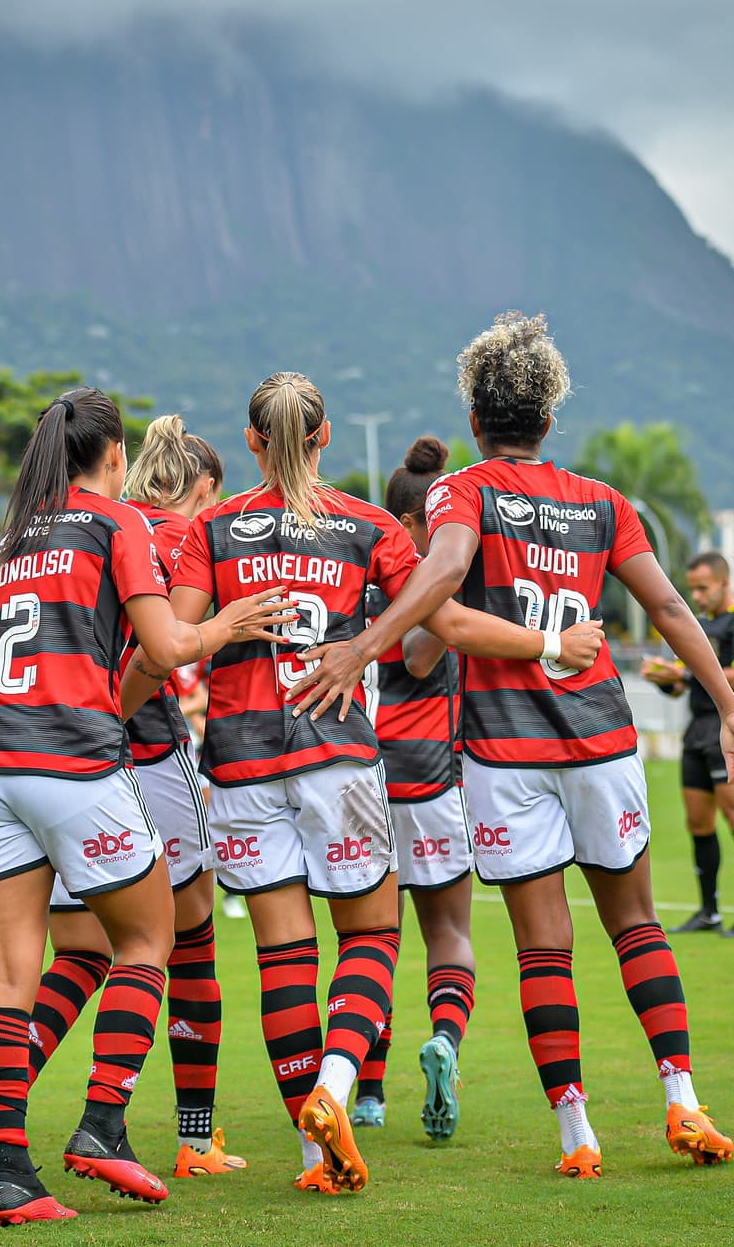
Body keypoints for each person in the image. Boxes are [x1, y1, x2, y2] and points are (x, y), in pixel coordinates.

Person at [290, 313, 734, 1179]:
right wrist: (729, 705)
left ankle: (576, 1135)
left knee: (542, 946)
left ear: (475, 420)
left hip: (505, 755)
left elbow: (438, 580)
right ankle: (682, 1098)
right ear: (550, 419)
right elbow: (667, 608)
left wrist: (363, 645)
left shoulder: (460, 493)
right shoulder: (600, 500)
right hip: (600, 739)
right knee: (636, 924)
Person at [150, 371, 605, 1195]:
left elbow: (171, 641)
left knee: (282, 955)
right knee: (371, 939)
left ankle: (311, 1153)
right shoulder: (365, 526)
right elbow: (451, 624)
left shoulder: (210, 529)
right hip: (340, 760)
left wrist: (216, 628)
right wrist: (548, 644)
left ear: (251, 442)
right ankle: (333, 1084)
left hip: (241, 764)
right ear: (324, 439)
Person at [0, 387, 292, 1226]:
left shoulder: (12, 538)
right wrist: (229, 623)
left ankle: (15, 1179)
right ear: (112, 457)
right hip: (69, 757)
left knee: (8, 975)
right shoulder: (118, 523)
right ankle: (103, 1123)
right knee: (149, 936)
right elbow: (165, 647)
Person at [14, 415, 251, 1178]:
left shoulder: (56, 527)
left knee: (78, 952)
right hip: (140, 752)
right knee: (188, 940)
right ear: (203, 486)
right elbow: (161, 649)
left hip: (47, 761)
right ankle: (193, 1137)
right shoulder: (177, 536)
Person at [348, 437, 479, 1142]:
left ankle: (368, 1090)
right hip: (425, 776)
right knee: (448, 932)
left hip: (359, 778)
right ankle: (446, 1043)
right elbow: (420, 650)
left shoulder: (353, 577)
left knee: (371, 937)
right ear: (415, 521)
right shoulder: (431, 577)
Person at [643, 552, 734, 939]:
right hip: (697, 729)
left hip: (729, 726)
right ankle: (709, 911)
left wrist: (681, 671)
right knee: (697, 822)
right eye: (691, 588)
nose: (695, 596)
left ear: (724, 583)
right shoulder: (696, 626)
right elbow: (683, 687)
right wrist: (663, 679)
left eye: (703, 588)